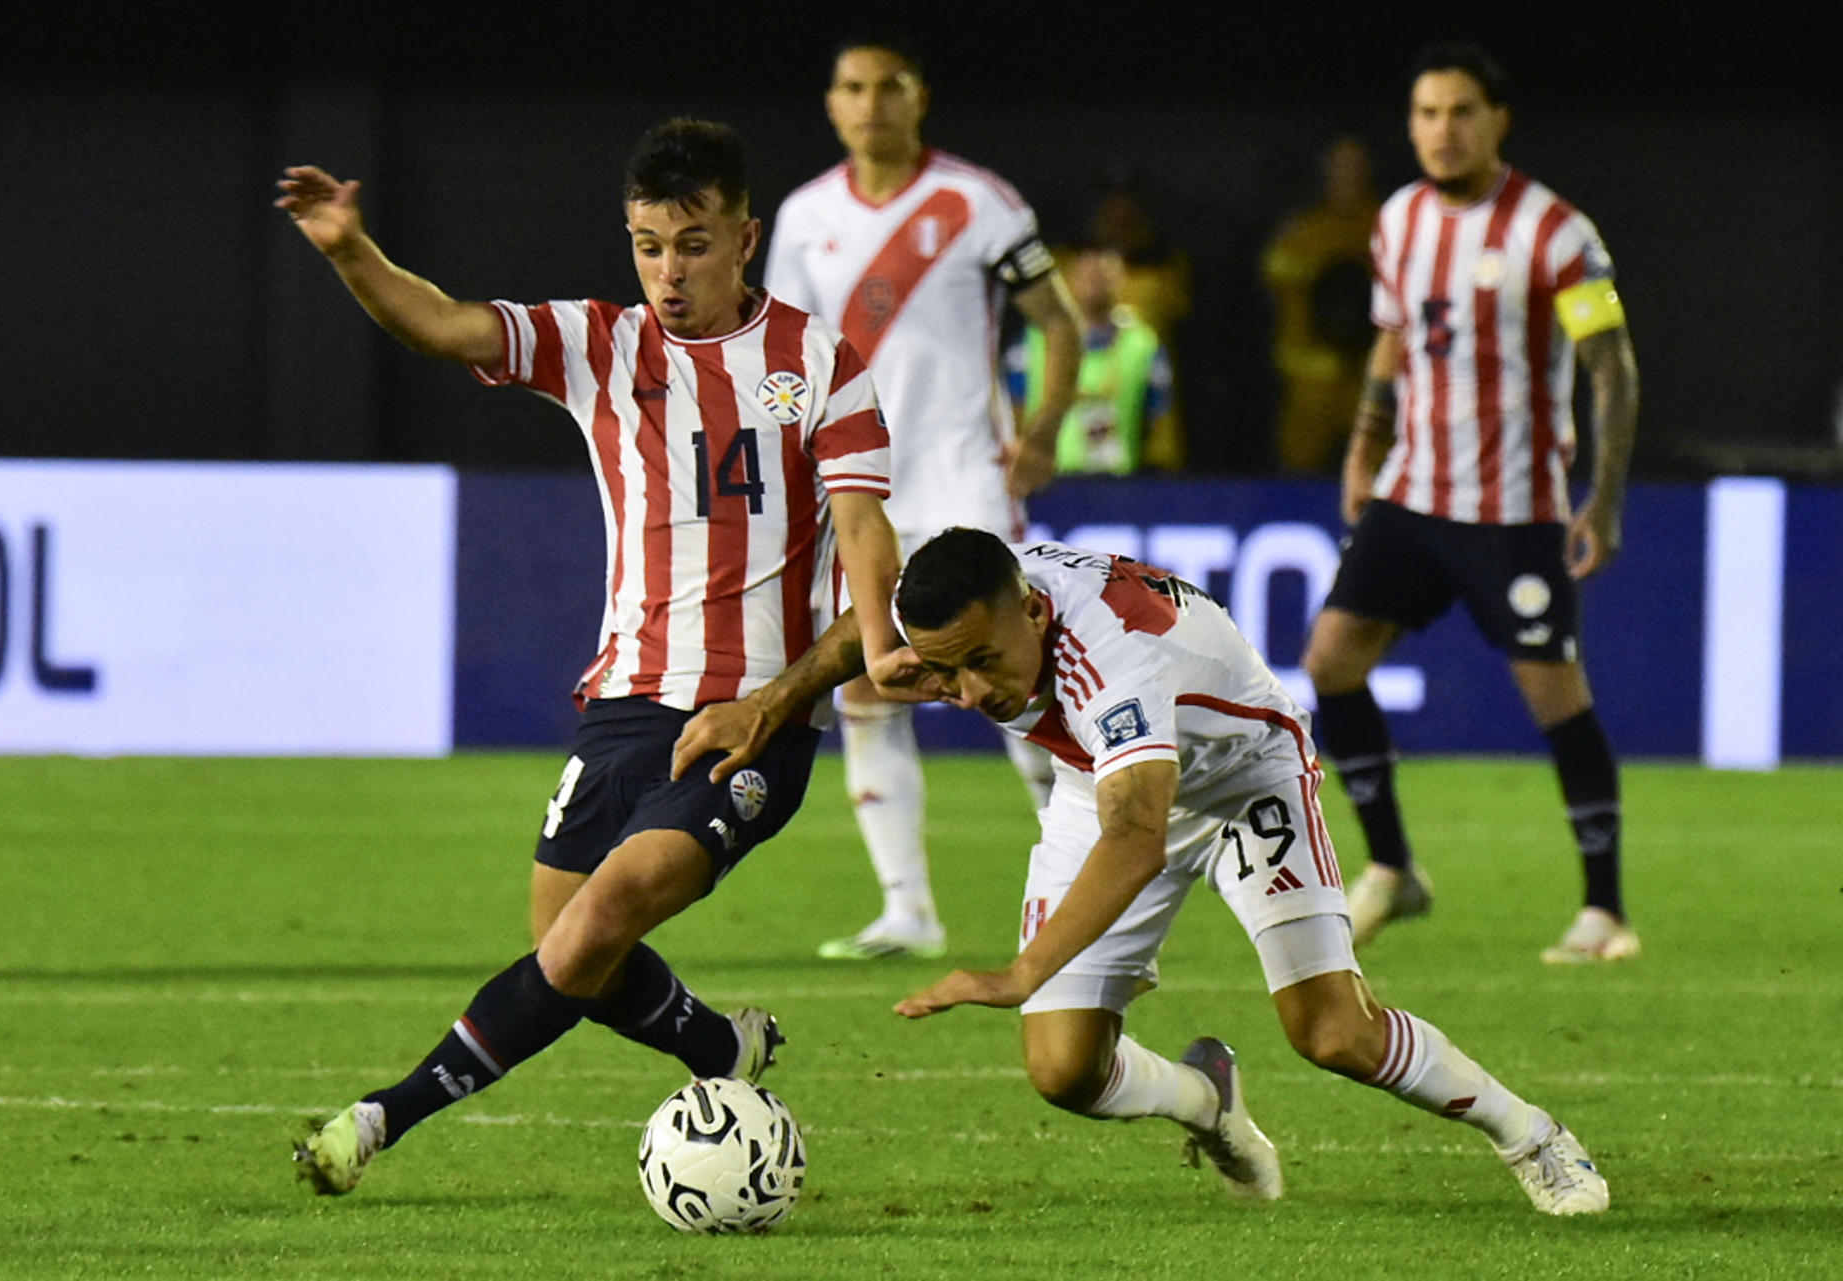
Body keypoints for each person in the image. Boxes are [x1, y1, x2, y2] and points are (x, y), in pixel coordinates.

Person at [274, 118, 907, 1195]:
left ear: (745, 237)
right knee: (570, 944)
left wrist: (863, 652)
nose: (669, 271)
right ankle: (721, 1052)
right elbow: (443, 325)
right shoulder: (601, 346)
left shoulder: (818, 360)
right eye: (649, 245)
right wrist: (348, 250)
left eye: (695, 244)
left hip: (754, 719)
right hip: (622, 704)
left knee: (598, 923)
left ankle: (383, 1117)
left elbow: (865, 531)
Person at [673, 528, 1610, 1216]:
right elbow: (868, 636)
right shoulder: (985, 609)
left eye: (982, 664)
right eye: (946, 671)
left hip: (1245, 778)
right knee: (1063, 1069)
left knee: (1331, 1032)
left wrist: (1019, 971)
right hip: (1105, 777)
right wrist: (771, 701)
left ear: (1033, 613)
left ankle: (1531, 1134)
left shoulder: (1112, 658)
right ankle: (1209, 1099)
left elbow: (1137, 835)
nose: (970, 692)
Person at [1299, 43, 1642, 964]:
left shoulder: (1555, 232)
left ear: (1499, 121)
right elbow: (1390, 343)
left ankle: (1605, 910)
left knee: (1554, 698)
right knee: (1330, 662)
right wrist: (1365, 448)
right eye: (1425, 113)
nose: (1441, 131)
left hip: (1514, 509)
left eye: (1460, 112)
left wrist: (1601, 501)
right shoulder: (1399, 219)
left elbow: (1612, 370)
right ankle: (1395, 870)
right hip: (1412, 496)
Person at [765, 34, 1084, 961]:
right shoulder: (805, 214)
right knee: (864, 683)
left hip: (963, 477)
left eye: (888, 87)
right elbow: (786, 354)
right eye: (853, 88)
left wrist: (1044, 430)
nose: (871, 104)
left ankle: (1082, 875)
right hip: (862, 486)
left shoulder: (976, 201)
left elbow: (1057, 321)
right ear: (833, 104)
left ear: (920, 97)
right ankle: (907, 908)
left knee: (1018, 677)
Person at [1005, 242, 1177, 476]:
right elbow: (1012, 410)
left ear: (1122, 278)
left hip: (1118, 485)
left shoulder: (1143, 344)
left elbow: (1157, 421)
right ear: (1069, 278)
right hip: (1048, 481)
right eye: (1086, 274)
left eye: (1103, 274)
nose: (1095, 281)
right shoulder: (1033, 341)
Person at [1261, 136, 1379, 473]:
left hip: (1370, 378)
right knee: (1299, 466)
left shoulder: (1388, 226)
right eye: (1340, 166)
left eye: (1355, 166)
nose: (1348, 175)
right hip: (1310, 380)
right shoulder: (1300, 234)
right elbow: (1274, 283)